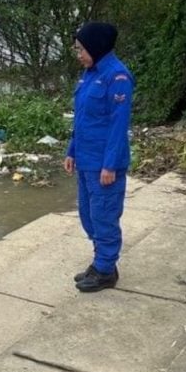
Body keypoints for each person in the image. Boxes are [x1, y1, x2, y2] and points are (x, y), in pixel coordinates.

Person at [64, 21, 134, 292]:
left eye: (81, 49)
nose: (78, 54)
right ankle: (100, 261)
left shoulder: (118, 77)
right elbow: (83, 120)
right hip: (85, 158)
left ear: (96, 47)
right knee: (88, 215)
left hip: (104, 163)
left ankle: (106, 271)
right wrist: (71, 151)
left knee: (104, 216)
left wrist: (111, 164)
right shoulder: (89, 75)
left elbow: (118, 126)